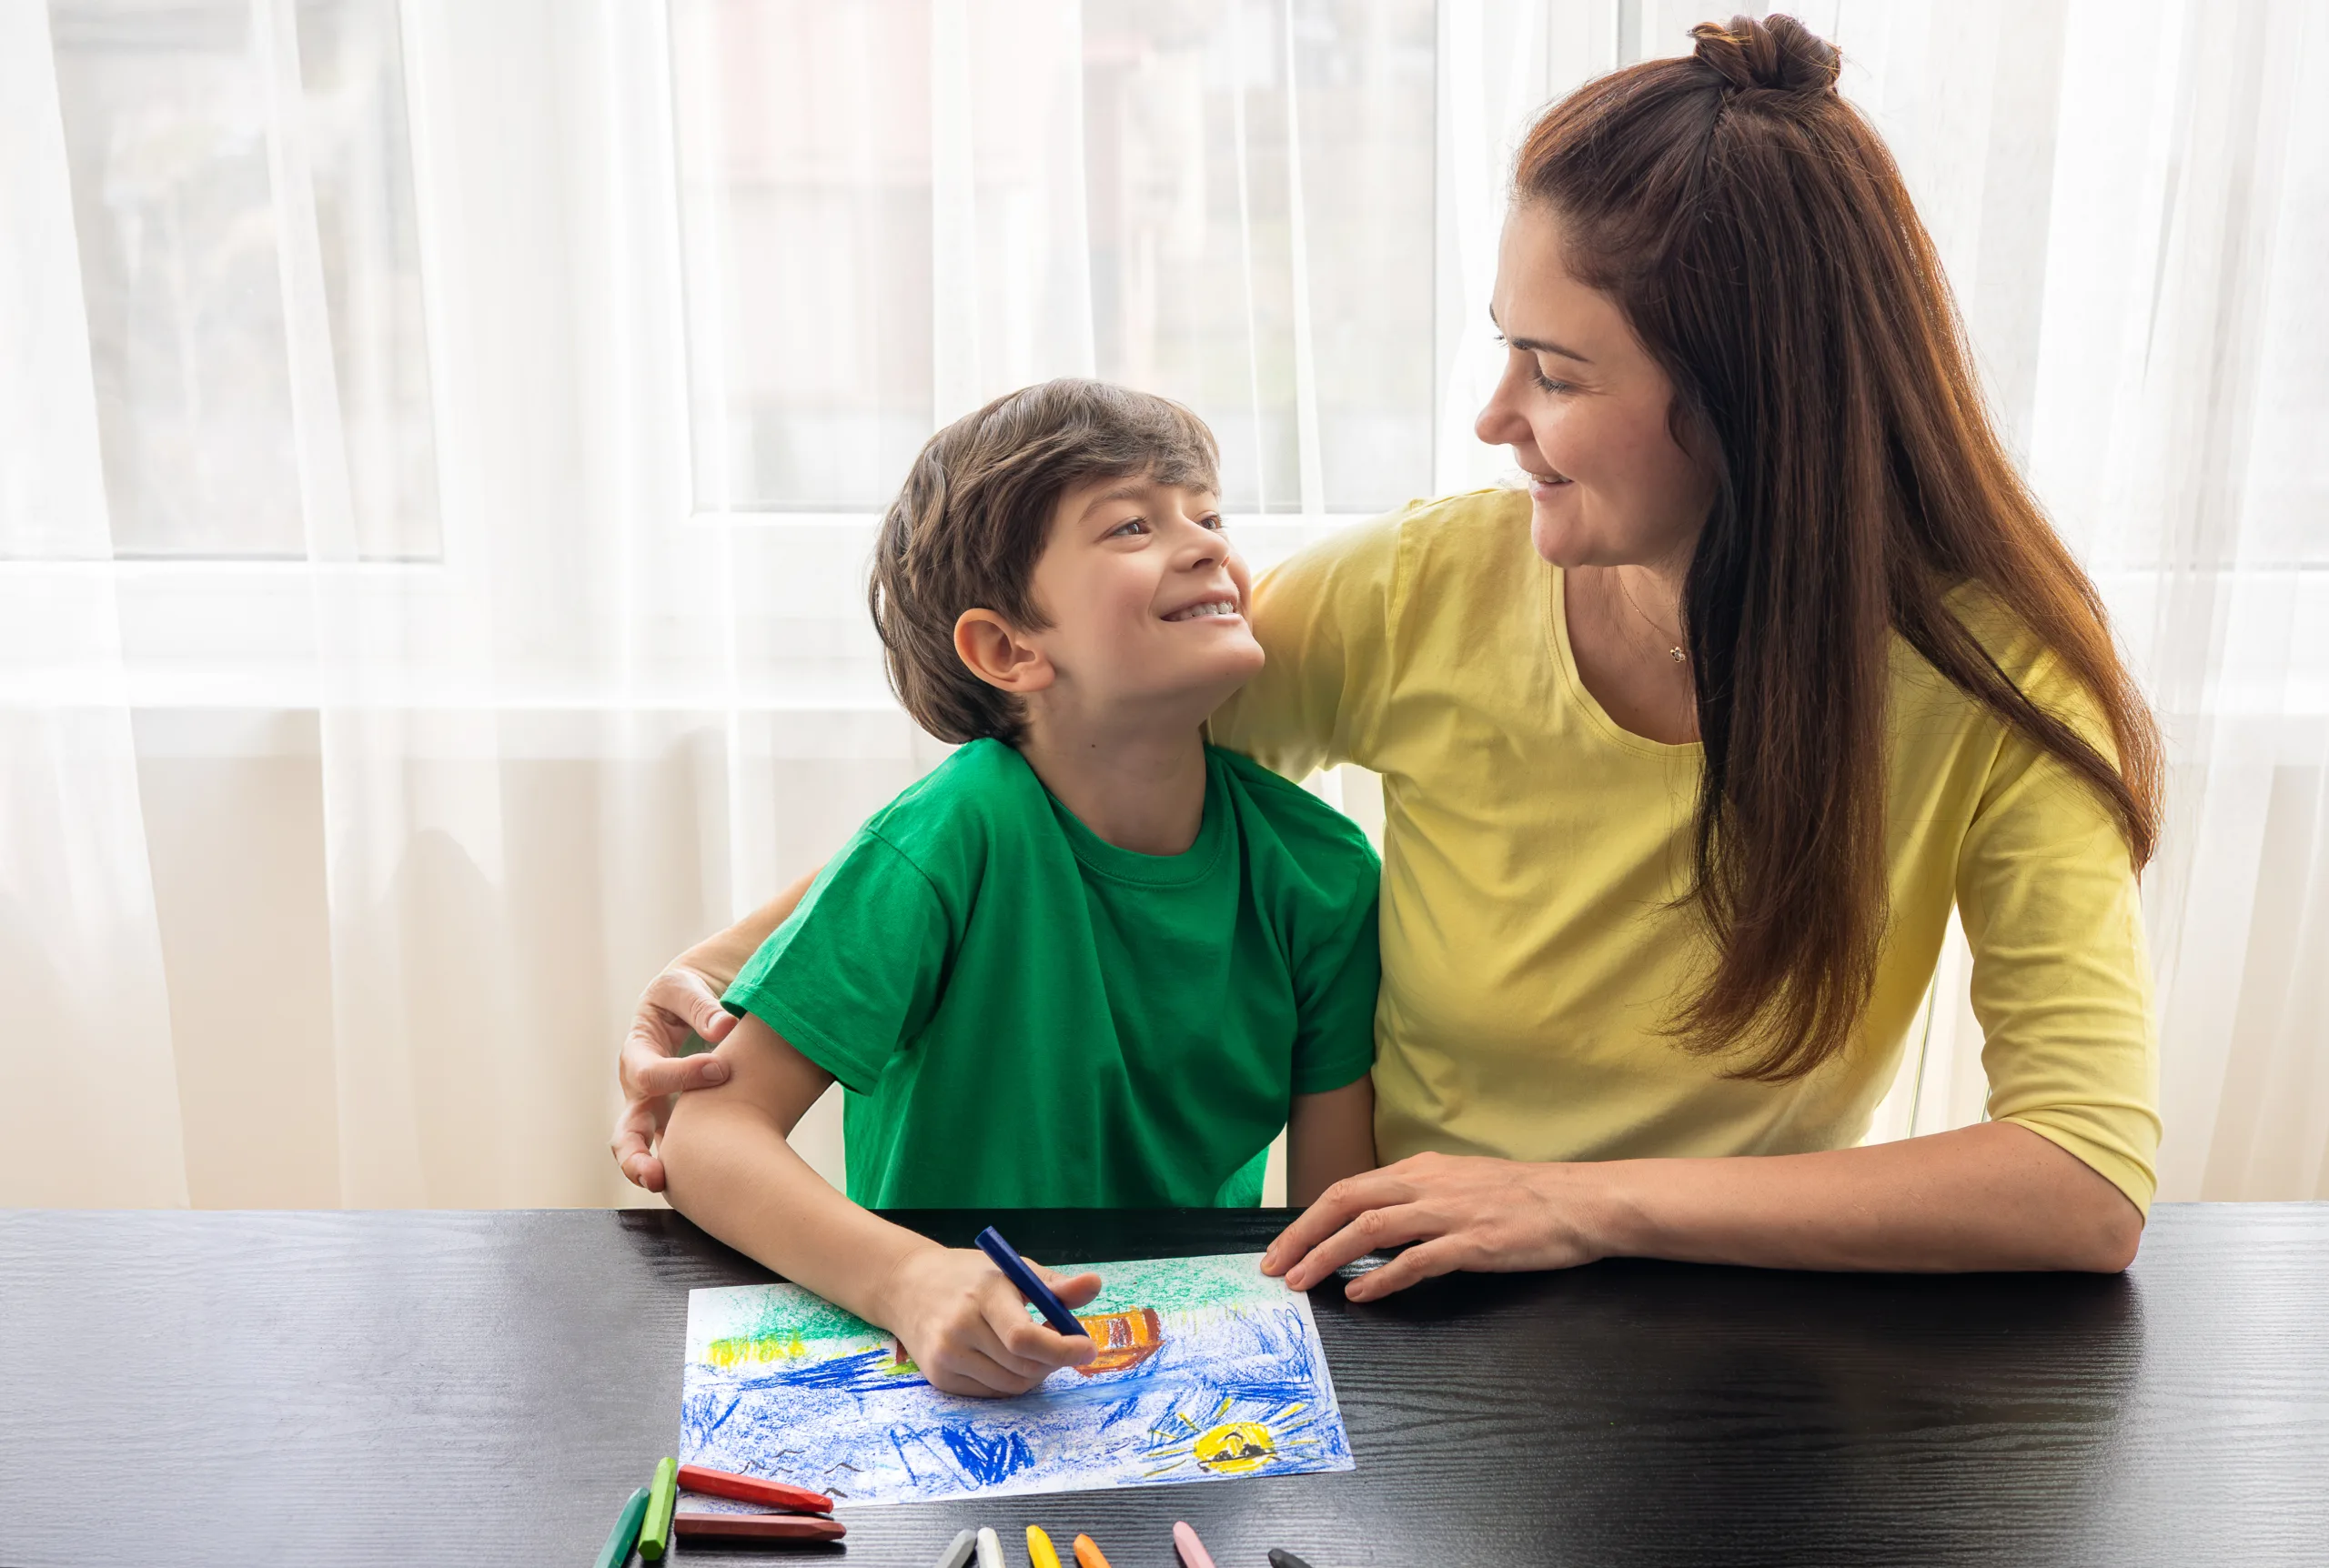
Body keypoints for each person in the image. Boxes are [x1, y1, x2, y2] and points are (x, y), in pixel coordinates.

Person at [620, 15, 2160, 1300]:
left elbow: (2084, 1180)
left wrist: (1591, 1201)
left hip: (1731, 1321)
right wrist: (729, 977)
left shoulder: (1998, 680)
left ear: (1750, 403)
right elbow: (1067, 761)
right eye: (1505, 346)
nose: (1495, 417)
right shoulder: (1428, 585)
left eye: (1552, 371)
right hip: (1414, 1298)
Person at [653, 379, 1381, 1397]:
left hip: (1184, 1383)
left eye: (1209, 515)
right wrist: (909, 1279)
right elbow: (707, 1136)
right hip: (948, 1368)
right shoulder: (955, 830)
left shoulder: (1324, 871)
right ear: (1007, 648)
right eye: (1131, 524)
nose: (1209, 543)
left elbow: (1328, 1224)